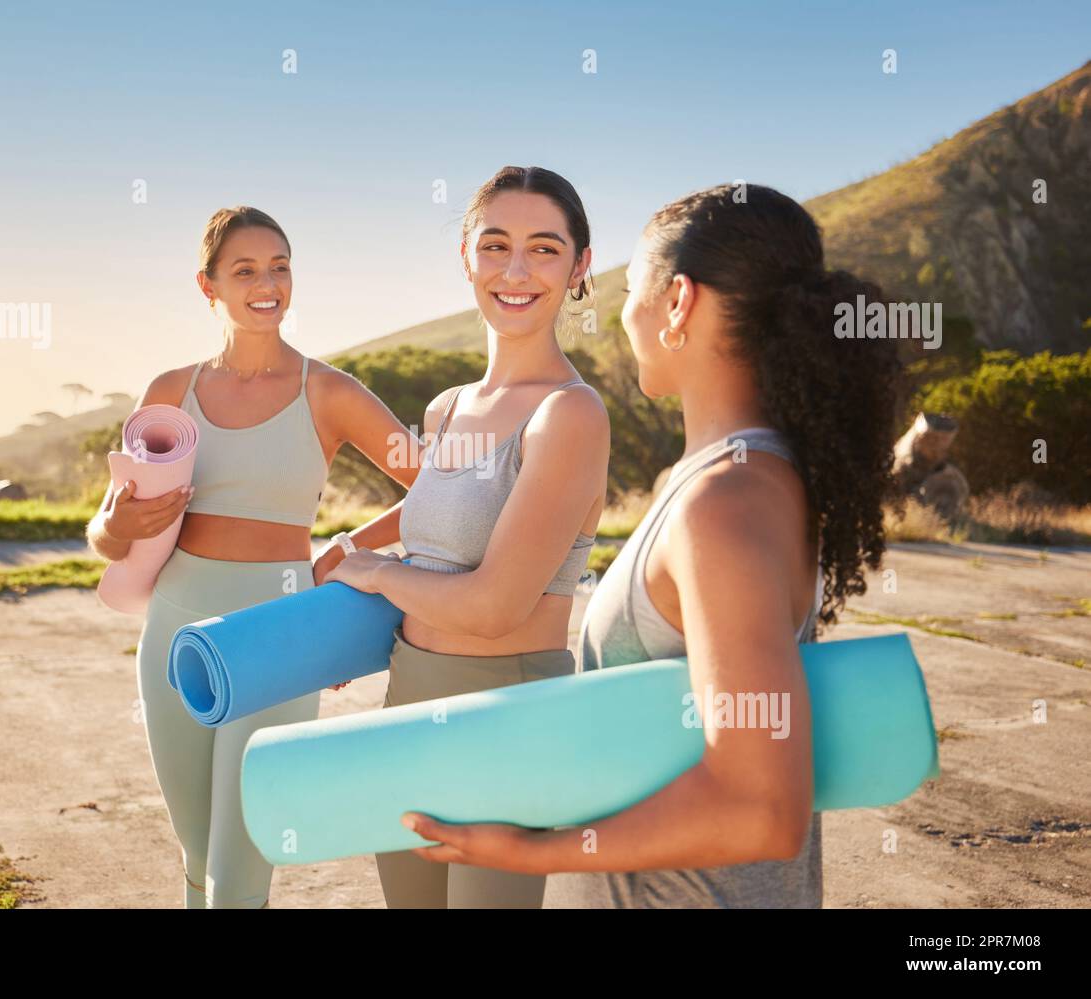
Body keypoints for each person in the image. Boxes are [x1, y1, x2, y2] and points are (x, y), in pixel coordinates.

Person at [380, 183, 905, 908]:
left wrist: (537, 848)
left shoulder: (725, 503)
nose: (624, 314)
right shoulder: (748, 477)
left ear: (679, 302)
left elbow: (763, 807)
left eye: (633, 287)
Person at [86, 206, 419, 908]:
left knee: (239, 867)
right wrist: (119, 520)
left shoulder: (328, 391)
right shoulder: (169, 393)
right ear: (209, 287)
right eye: (245, 270)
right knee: (199, 852)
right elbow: (108, 539)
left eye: (280, 266)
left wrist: (353, 548)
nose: (267, 283)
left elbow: (440, 490)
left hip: (280, 636)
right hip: (174, 630)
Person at [325, 166, 611, 908]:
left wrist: (374, 573)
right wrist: (345, 551)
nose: (515, 271)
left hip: (508, 717)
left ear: (581, 265)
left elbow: (494, 605)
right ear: (466, 257)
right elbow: (437, 504)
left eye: (544, 249)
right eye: (496, 245)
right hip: (408, 697)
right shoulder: (448, 407)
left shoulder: (569, 415)